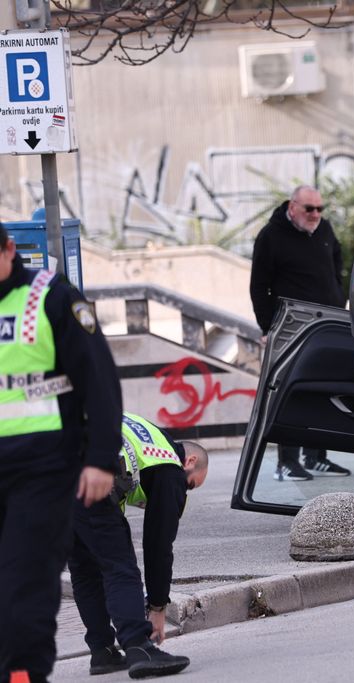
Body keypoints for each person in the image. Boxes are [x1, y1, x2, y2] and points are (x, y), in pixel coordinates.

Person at [0, 224, 122, 683]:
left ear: (10, 249)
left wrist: (101, 458)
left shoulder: (51, 297)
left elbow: (99, 379)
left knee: (23, 584)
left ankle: (22, 676)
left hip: (43, 469)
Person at [68, 412, 209, 678]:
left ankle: (103, 652)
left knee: (85, 569)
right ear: (189, 461)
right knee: (120, 567)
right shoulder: (169, 465)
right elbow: (158, 544)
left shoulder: (145, 435)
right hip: (90, 474)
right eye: (189, 484)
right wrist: (157, 606)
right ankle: (138, 647)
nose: (184, 491)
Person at [250, 185, 351, 480]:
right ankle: (286, 461)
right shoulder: (271, 236)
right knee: (290, 391)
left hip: (327, 322)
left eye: (320, 209)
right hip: (292, 325)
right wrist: (269, 327)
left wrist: (339, 299)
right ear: (293, 207)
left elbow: (337, 267)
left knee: (324, 389)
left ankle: (317, 456)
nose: (316, 215)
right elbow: (259, 286)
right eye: (309, 209)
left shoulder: (325, 230)